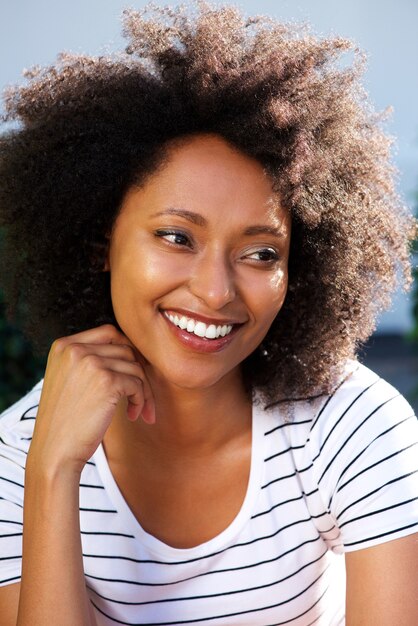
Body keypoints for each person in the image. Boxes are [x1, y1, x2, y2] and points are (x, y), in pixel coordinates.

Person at [0, 2, 417, 624]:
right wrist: (53, 470)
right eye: (175, 237)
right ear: (98, 245)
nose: (217, 291)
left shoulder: (352, 426)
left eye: (260, 252)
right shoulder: (22, 451)